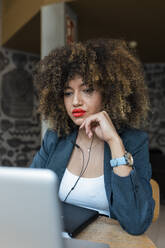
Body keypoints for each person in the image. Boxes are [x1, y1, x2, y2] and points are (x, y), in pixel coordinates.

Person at [30, 38, 155, 235]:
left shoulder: (133, 141)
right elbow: (29, 195)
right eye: (68, 93)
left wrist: (114, 142)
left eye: (87, 90)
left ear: (108, 93)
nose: (76, 101)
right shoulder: (55, 138)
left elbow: (136, 223)